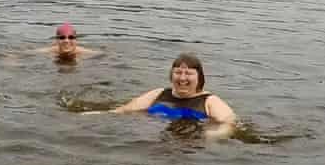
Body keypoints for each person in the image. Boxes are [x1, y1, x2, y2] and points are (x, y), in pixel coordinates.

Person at [93, 53, 236, 140]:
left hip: (192, 145)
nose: (182, 78)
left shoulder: (210, 101)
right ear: (171, 75)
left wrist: (207, 136)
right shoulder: (158, 94)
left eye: (189, 73)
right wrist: (92, 115)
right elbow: (124, 110)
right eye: (178, 73)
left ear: (199, 77)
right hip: (156, 138)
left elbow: (229, 124)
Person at [35, 23, 100, 62]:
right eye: (62, 37)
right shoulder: (48, 52)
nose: (66, 41)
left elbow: (101, 55)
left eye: (71, 37)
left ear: (76, 40)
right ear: (56, 41)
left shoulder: (86, 53)